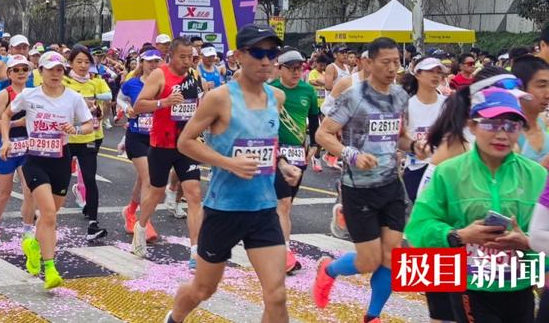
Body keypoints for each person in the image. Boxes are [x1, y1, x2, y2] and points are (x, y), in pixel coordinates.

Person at [165, 23, 302, 323]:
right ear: (239, 56)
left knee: (277, 295)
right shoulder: (220, 98)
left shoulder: (276, 97)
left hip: (263, 210)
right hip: (224, 209)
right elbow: (185, 142)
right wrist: (228, 163)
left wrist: (282, 163)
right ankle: (175, 317)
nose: (266, 61)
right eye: (258, 53)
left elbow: (266, 142)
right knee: (203, 289)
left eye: (271, 53)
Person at [405, 85, 547, 323]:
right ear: (472, 126)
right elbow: (418, 227)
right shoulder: (449, 172)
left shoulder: (537, 175)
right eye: (491, 124)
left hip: (521, 287)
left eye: (512, 125)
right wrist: (459, 235)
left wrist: (527, 242)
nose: (502, 134)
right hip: (471, 287)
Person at [313, 37, 428, 323]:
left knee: (391, 256)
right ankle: (328, 269)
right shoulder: (353, 96)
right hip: (359, 189)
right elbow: (323, 134)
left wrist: (414, 146)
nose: (391, 68)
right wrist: (351, 154)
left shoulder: (400, 96)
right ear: (369, 62)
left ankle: (372, 315)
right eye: (385, 62)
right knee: (368, 261)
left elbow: (399, 136)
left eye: (396, 62)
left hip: (391, 185)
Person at [0, 51, 94, 289]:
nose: (55, 74)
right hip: (35, 160)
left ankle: (33, 245)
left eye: (59, 69)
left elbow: (89, 124)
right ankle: (50, 269)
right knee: (49, 214)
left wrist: (75, 129)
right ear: (40, 71)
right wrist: (6, 140)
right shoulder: (29, 95)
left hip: (61, 159)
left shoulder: (73, 98)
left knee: (49, 215)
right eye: (50, 69)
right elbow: (6, 115)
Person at [132, 37, 203, 268]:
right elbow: (139, 105)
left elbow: (199, 105)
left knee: (194, 194)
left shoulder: (194, 76)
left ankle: (195, 251)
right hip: (162, 144)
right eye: (182, 57)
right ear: (170, 55)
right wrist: (164, 102)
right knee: (156, 193)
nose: (187, 61)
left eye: (190, 57)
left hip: (187, 144)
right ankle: (141, 226)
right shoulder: (159, 75)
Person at [269, 48, 319, 273]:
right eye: (291, 69)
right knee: (283, 202)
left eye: (299, 68)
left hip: (299, 153)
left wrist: (315, 145)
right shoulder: (271, 90)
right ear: (280, 69)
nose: (296, 73)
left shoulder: (308, 90)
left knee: (286, 204)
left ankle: (277, 245)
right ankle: (284, 254)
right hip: (275, 153)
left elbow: (314, 119)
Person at [63, 45, 111, 238]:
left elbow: (107, 100)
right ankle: (44, 218)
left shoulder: (95, 82)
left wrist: (96, 103)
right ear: (70, 63)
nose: (83, 66)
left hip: (89, 137)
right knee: (60, 178)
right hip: (66, 138)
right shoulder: (63, 82)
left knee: (90, 178)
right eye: (79, 62)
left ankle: (93, 223)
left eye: (86, 62)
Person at [0, 55, 35, 246]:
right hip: (7, 148)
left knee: (30, 191)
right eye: (16, 69)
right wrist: (17, 123)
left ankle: (27, 229)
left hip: (27, 148)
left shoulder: (33, 93)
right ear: (9, 74)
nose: (21, 73)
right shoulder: (4, 94)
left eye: (24, 69)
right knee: (4, 193)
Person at [117, 49, 163, 235]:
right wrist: (127, 108)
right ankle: (144, 224)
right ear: (142, 63)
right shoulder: (132, 83)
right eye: (149, 61)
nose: (153, 65)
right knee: (149, 179)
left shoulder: (165, 84)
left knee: (142, 180)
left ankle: (130, 212)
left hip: (157, 137)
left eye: (156, 61)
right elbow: (120, 98)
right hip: (137, 136)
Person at [401, 57, 448, 201]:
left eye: (439, 72)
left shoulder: (448, 104)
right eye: (430, 71)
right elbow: (400, 139)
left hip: (444, 168)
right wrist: (414, 146)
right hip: (416, 168)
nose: (436, 75)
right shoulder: (406, 105)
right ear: (417, 74)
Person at [511, 55, 549, 166]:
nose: (547, 94)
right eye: (542, 86)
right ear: (520, 88)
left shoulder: (543, 122)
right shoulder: (509, 135)